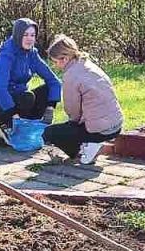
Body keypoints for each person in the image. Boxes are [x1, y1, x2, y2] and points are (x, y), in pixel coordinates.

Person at [43, 34, 123, 165]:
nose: (55, 65)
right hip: (116, 124)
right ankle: (89, 144)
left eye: (55, 62)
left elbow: (73, 110)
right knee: (74, 126)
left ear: (64, 58)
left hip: (99, 130)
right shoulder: (87, 64)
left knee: (50, 133)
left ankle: (83, 150)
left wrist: (69, 128)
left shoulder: (71, 75)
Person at [0, 17, 62, 144]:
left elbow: (53, 80)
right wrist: (13, 115)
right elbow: (0, 90)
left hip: (21, 101)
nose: (29, 39)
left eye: (32, 35)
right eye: (25, 35)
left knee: (46, 90)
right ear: (17, 35)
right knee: (27, 97)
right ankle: (7, 126)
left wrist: (50, 108)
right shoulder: (6, 56)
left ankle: (30, 127)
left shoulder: (32, 54)